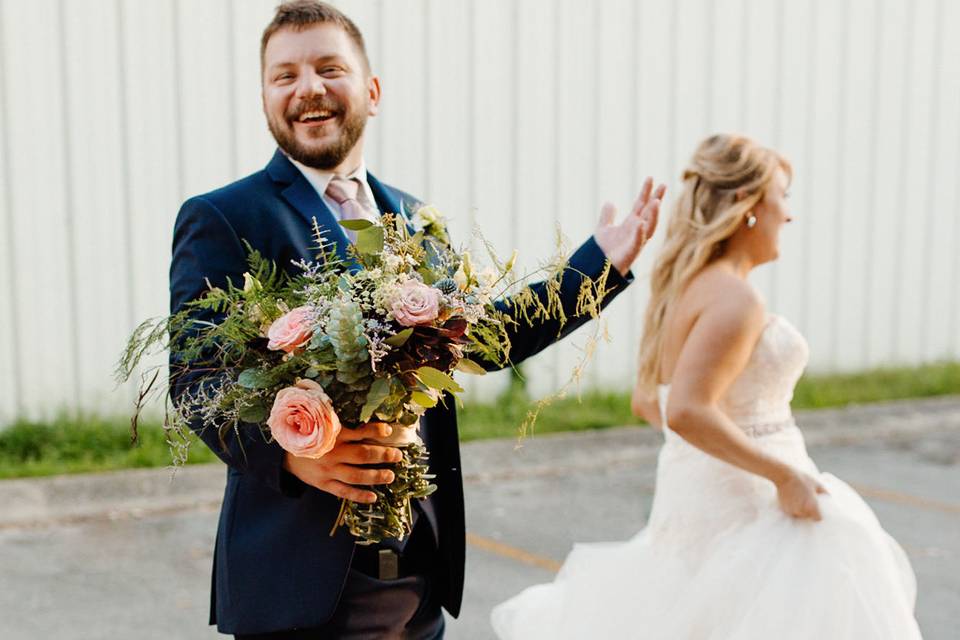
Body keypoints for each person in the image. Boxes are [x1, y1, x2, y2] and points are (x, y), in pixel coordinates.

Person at [169, 2, 664, 637]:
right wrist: (294, 458)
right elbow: (196, 381)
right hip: (300, 584)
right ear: (265, 98)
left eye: (329, 68)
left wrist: (600, 265)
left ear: (371, 92)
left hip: (417, 574)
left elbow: (483, 339)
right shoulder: (224, 217)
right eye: (284, 75)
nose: (309, 88)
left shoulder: (415, 217)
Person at [491, 134, 922, 639]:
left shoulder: (686, 286)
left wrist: (706, 457)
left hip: (709, 492)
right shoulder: (735, 301)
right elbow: (690, 412)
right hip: (749, 502)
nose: (789, 214)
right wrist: (783, 475)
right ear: (748, 205)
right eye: (783, 197)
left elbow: (651, 402)